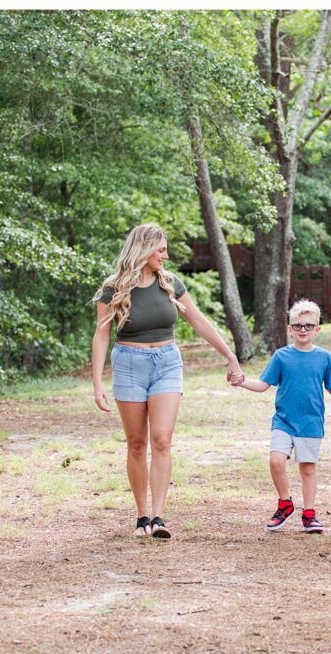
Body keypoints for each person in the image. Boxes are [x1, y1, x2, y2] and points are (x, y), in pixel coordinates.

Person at [92, 223, 244, 538]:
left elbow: (198, 320)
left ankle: (159, 517)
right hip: (129, 365)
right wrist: (97, 383)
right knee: (137, 444)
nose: (166, 255)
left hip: (166, 363)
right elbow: (101, 334)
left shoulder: (170, 283)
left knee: (161, 440)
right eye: (161, 249)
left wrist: (229, 355)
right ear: (144, 249)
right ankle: (141, 516)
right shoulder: (113, 288)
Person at [237, 300, 331, 533]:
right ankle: (285, 503)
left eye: (309, 326)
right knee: (276, 461)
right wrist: (242, 382)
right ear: (290, 329)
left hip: (310, 422)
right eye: (298, 325)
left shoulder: (324, 358)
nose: (303, 330)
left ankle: (309, 514)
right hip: (284, 420)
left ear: (317, 330)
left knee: (307, 468)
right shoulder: (281, 356)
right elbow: (262, 385)